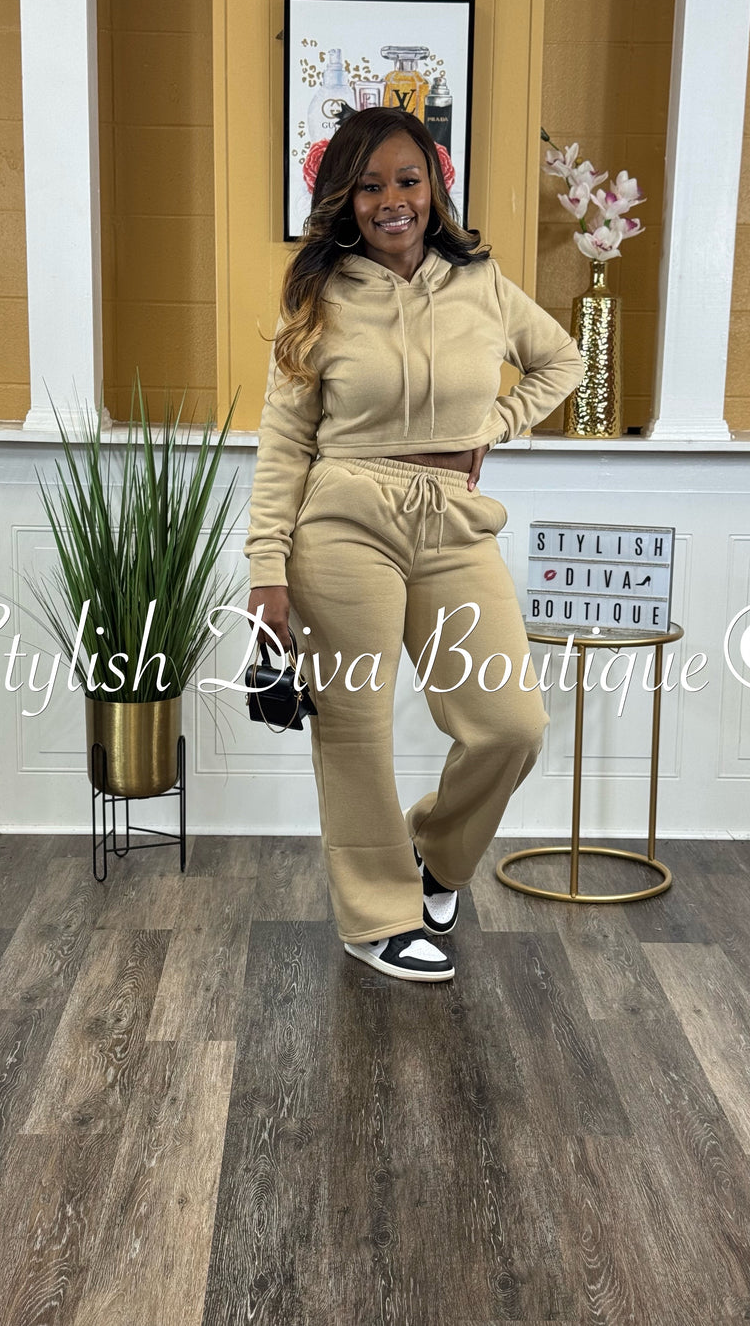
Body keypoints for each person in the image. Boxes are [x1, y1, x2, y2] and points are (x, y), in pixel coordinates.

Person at [245, 107, 584, 982]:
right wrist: (266, 570)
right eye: (369, 186)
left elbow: (562, 360)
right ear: (344, 198)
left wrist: (495, 424)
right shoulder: (318, 297)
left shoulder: (481, 284)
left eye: (407, 180)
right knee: (355, 729)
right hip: (344, 519)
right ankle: (376, 917)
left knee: (511, 724)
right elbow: (283, 443)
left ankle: (436, 853)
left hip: (454, 521)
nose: (391, 200)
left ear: (434, 188)